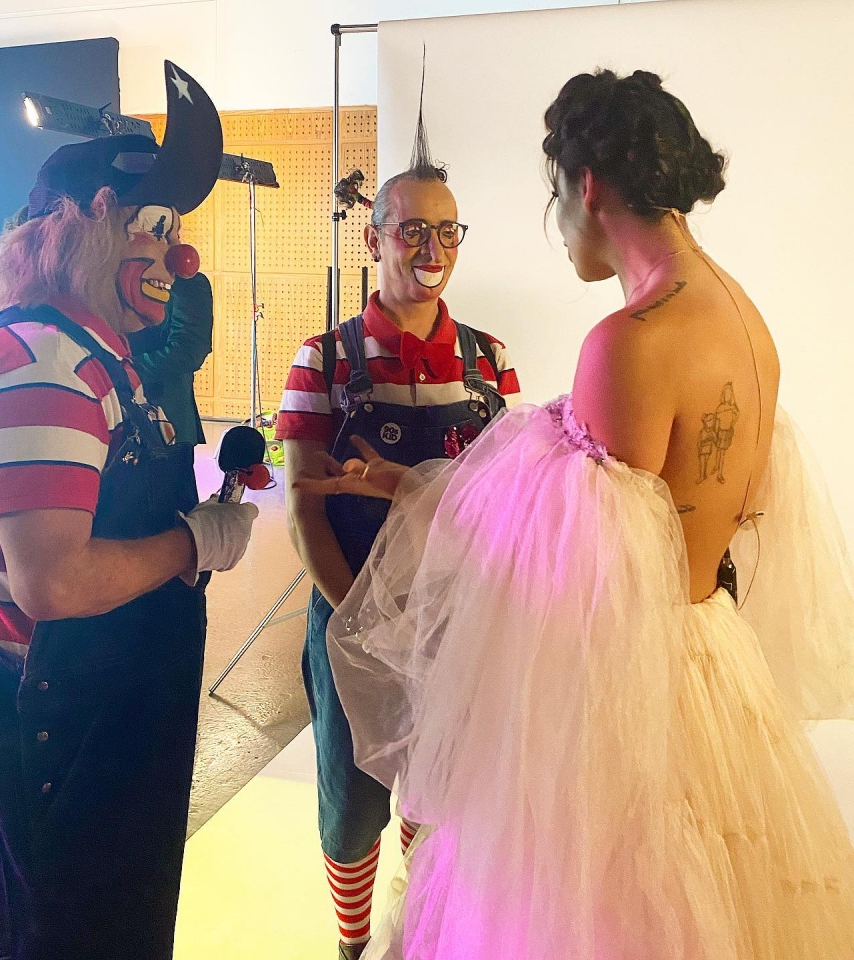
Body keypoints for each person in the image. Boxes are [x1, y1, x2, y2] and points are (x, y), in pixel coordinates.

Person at [302, 69, 854, 958]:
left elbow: (559, 563)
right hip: (714, 666)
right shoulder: (742, 319)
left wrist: (406, 492)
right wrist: (406, 483)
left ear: (586, 186)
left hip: (626, 695)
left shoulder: (630, 341)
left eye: (554, 196)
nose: (559, 228)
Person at [0, 61, 258, 960]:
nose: (177, 259)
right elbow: (56, 582)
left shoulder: (88, 358)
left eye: (178, 232)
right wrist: (192, 543)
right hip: (50, 785)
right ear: (82, 229)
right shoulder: (43, 364)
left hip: (96, 763)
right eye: (152, 228)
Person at [277, 112, 521, 959]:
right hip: (351, 618)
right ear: (375, 237)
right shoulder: (324, 362)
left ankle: (419, 926)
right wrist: (360, 620)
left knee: (440, 783)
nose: (432, 246)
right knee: (350, 803)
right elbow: (305, 509)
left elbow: (502, 502)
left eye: (447, 229)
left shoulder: (489, 362)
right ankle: (353, 947)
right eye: (412, 228)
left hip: (456, 619)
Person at [129, 269, 215, 502]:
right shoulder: (114, 280)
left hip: (167, 422)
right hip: (116, 419)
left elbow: (188, 352)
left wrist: (121, 368)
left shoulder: (188, 284)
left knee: (170, 512)